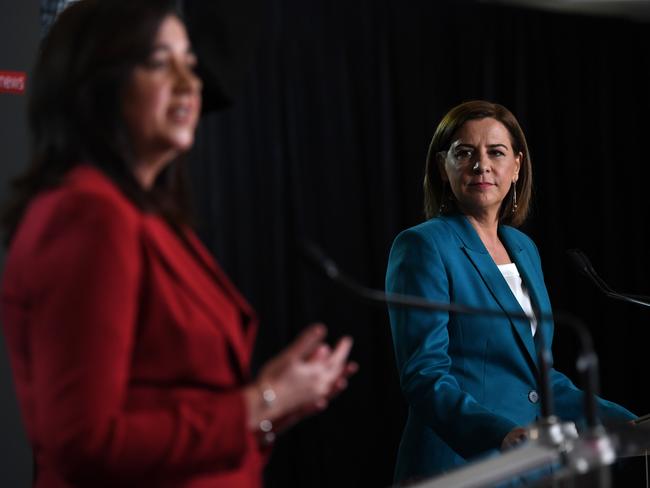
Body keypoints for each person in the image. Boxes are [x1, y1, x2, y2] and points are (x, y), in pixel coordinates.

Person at [0, 1, 356, 487]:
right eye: (158, 63)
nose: (189, 85)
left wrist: (274, 402)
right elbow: (84, 443)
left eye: (189, 64)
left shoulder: (143, 215)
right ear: (96, 81)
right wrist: (259, 404)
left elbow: (177, 404)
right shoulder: (87, 216)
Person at [385, 100, 635, 484]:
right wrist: (499, 433)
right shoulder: (424, 246)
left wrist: (631, 425)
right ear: (442, 166)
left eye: (496, 152)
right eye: (464, 152)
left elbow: (540, 380)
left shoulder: (523, 249)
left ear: (516, 166)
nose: (481, 164)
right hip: (460, 466)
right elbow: (425, 375)